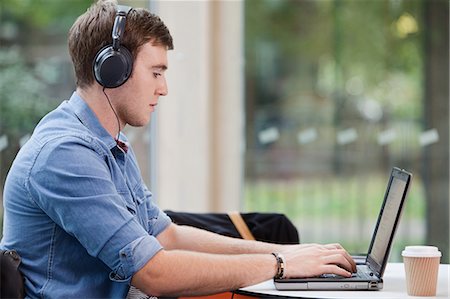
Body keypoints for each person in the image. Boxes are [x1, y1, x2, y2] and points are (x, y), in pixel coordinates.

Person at [0, 0, 356, 298]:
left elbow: (166, 236)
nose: (164, 88)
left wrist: (286, 253)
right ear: (112, 70)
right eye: (155, 72)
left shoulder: (108, 144)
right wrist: (280, 265)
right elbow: (153, 272)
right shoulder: (64, 155)